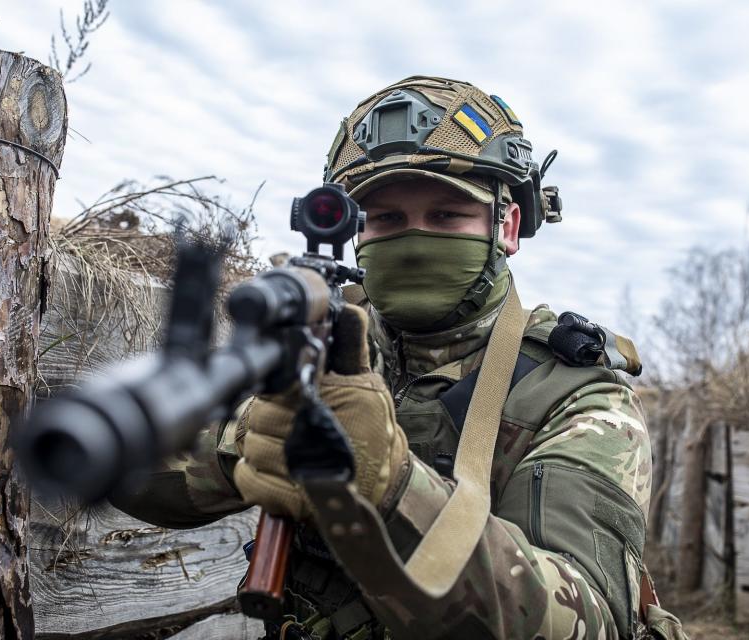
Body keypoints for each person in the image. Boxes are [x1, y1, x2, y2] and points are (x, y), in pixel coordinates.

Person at [111, 76, 686, 640]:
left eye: (446, 215)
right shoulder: (322, 339)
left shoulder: (575, 392)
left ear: (507, 226)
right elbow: (147, 480)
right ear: (354, 233)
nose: (413, 238)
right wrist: (249, 441)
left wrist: (390, 487)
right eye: (385, 219)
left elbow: (585, 617)